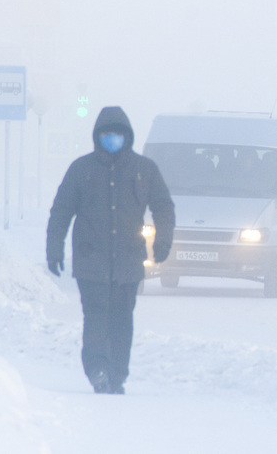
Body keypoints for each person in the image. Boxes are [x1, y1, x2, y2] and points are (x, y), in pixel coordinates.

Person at [46, 106, 175, 394]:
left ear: (127, 136)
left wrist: (163, 241)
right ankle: (97, 370)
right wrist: (54, 248)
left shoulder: (144, 170)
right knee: (95, 320)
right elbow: (61, 210)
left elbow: (163, 206)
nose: (112, 138)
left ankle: (117, 374)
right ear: (97, 136)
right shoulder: (82, 170)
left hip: (128, 263)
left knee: (121, 321)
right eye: (107, 134)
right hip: (91, 262)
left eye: (117, 134)